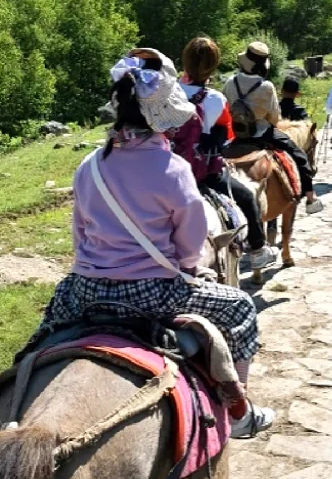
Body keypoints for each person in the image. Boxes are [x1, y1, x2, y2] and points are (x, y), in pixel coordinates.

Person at [40, 48, 274, 437]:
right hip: (152, 292)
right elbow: (191, 241)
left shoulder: (88, 167)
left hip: (83, 289)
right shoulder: (175, 170)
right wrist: (185, 268)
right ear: (162, 117)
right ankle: (239, 413)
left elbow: (80, 233)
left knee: (43, 334)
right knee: (240, 309)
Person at [177, 35, 276, 272]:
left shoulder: (169, 93)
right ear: (213, 66)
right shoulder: (215, 99)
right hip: (204, 174)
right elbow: (227, 137)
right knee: (247, 197)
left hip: (167, 169)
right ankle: (258, 249)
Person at [222, 41, 322, 212]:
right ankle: (310, 198)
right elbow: (275, 118)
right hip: (262, 133)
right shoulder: (266, 86)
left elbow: (225, 107)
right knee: (299, 155)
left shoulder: (230, 82)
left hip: (236, 135)